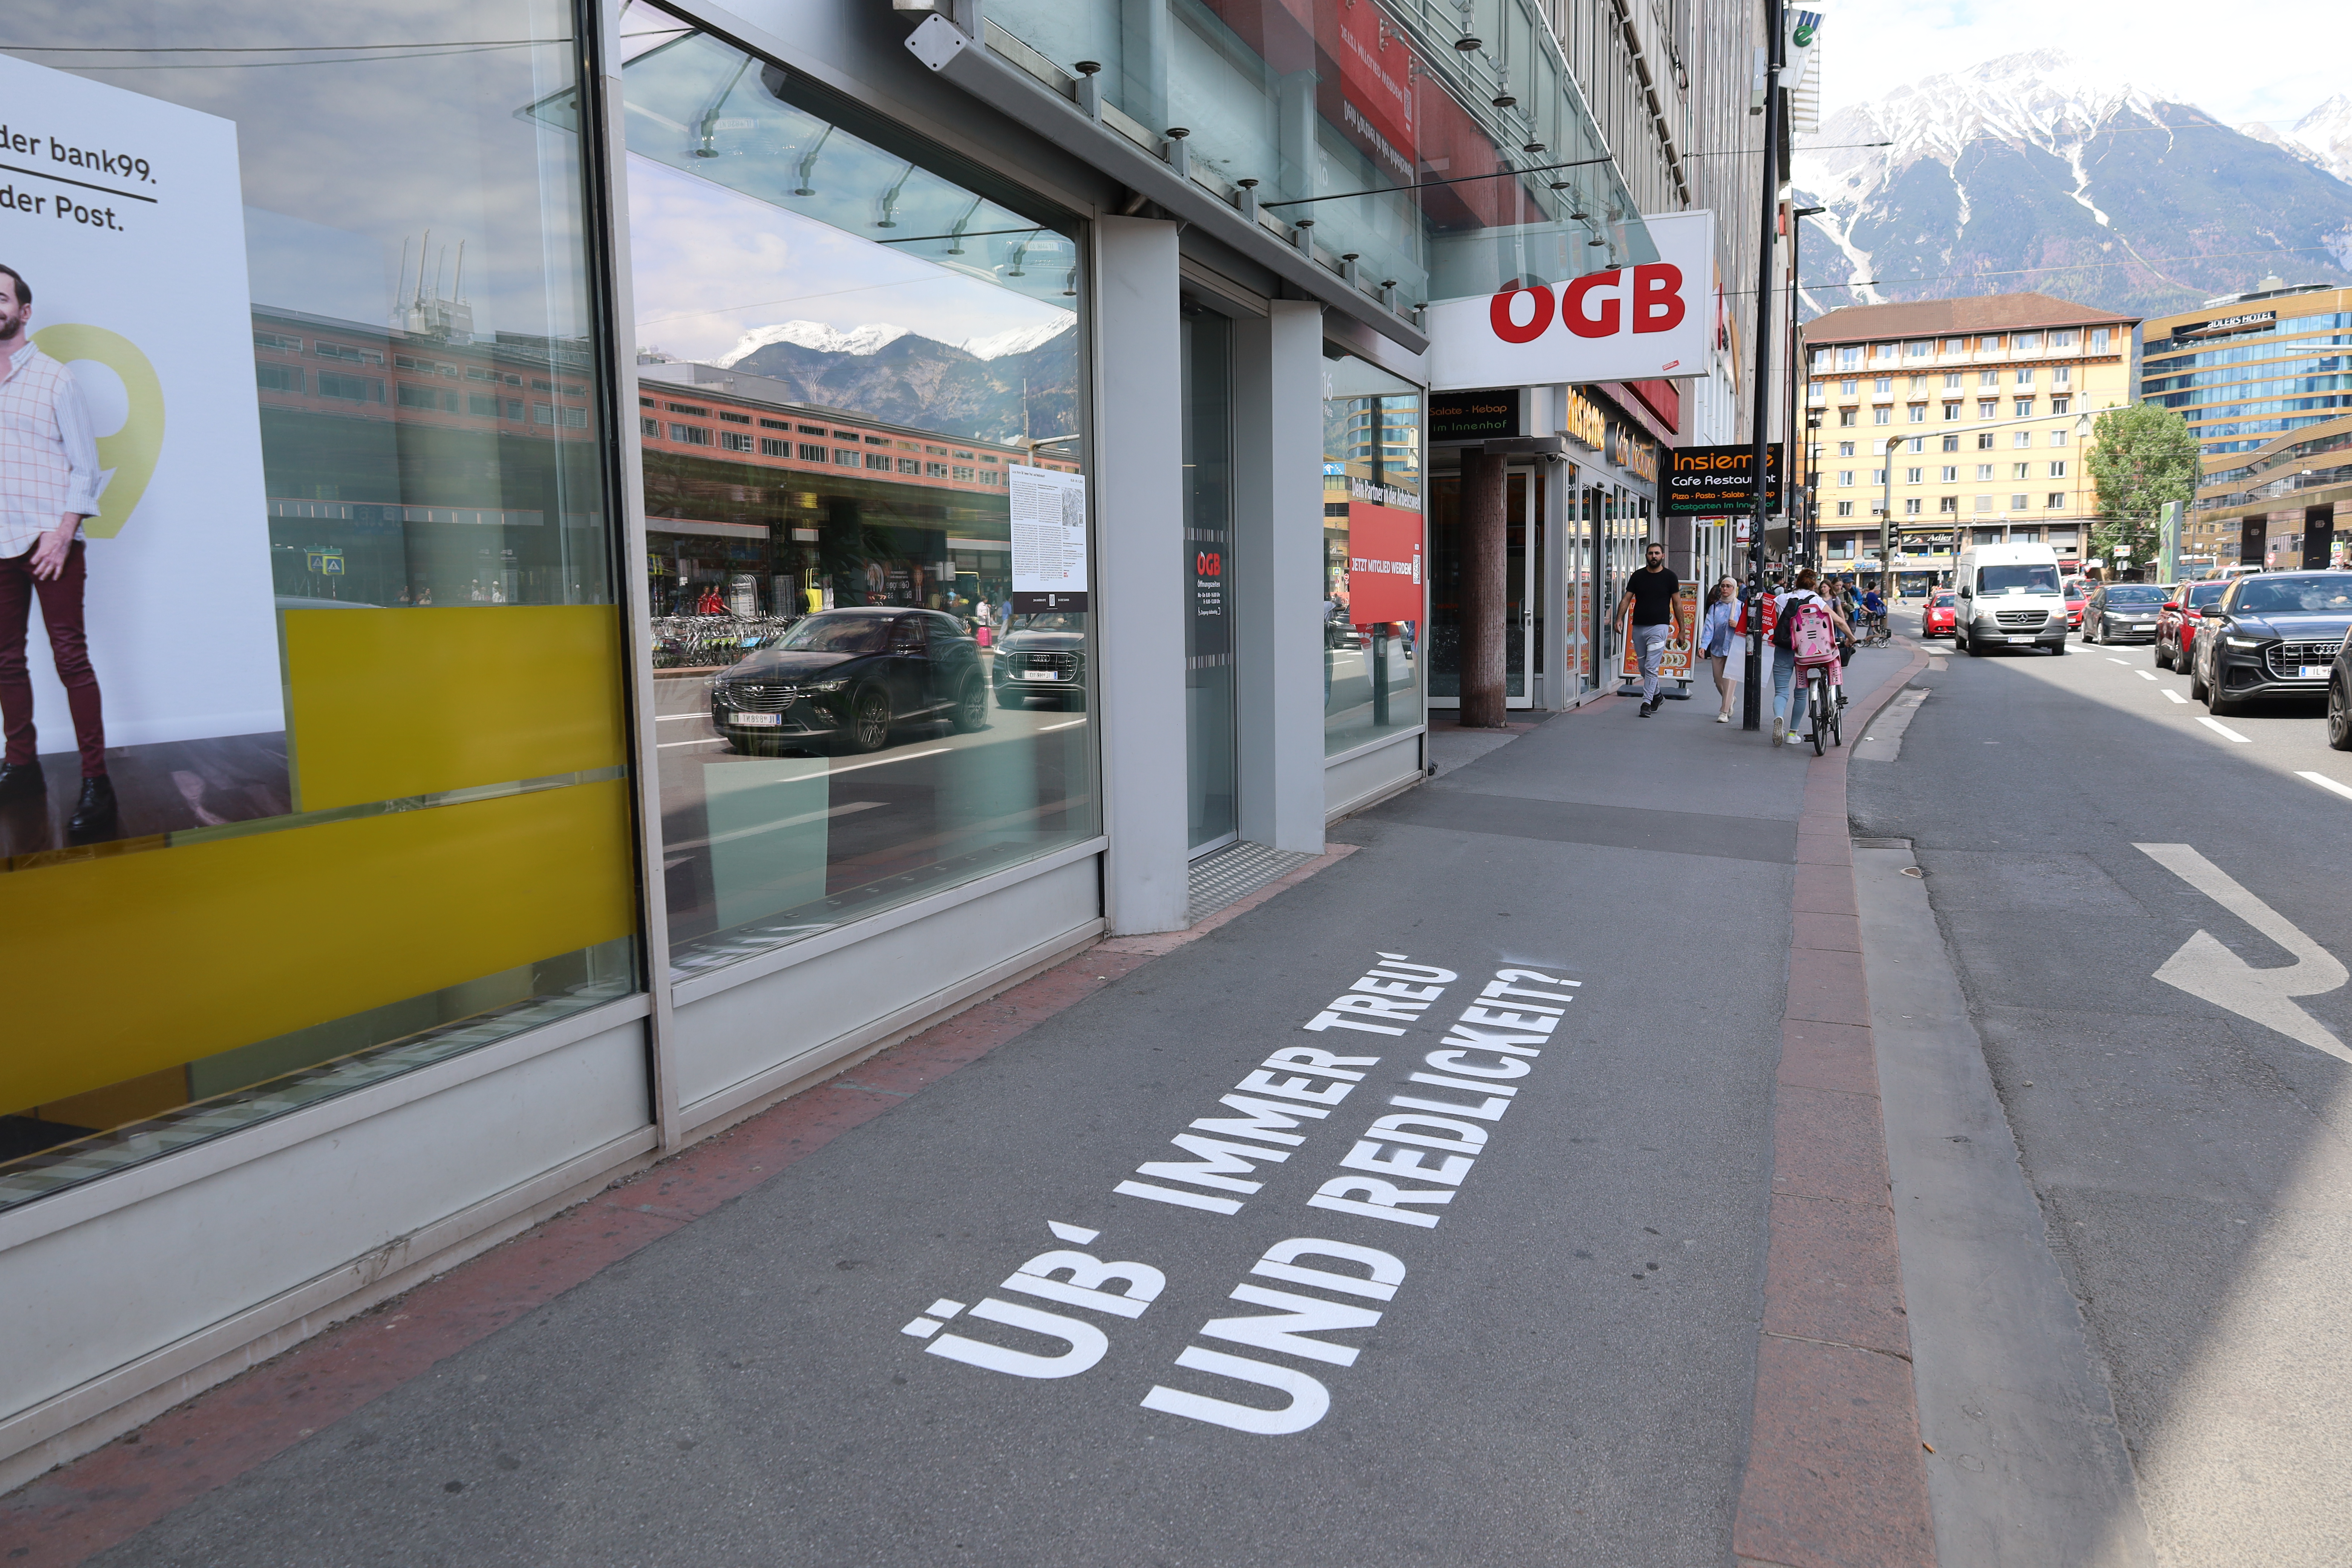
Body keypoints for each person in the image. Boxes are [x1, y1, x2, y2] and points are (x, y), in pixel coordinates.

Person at [0, 263, 114, 835]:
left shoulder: (55, 378)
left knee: (70, 658)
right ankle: (22, 768)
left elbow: (86, 467)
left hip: (51, 543)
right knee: (5, 662)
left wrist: (63, 531)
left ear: (23, 311)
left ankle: (98, 783)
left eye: (1, 297)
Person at [1771, 568, 1852, 747]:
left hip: (1784, 649)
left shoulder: (1782, 599)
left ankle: (1779, 718)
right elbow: (1838, 621)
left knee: (1781, 692)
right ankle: (1793, 733)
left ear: (1796, 583)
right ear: (1814, 585)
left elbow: (1779, 623)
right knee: (1801, 693)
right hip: (1807, 652)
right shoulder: (1817, 600)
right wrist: (1851, 638)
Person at [1614, 538, 1680, 717]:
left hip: (1660, 627)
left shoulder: (1670, 577)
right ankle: (1657, 695)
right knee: (1643, 667)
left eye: (1657, 553)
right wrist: (1619, 618)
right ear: (1646, 556)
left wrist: (1682, 630)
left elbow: (1678, 604)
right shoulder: (1638, 576)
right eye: (1651, 553)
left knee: (1651, 668)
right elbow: (1627, 598)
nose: (1654, 556)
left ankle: (1646, 703)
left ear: (1663, 556)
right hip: (1639, 627)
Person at [1700, 577, 1741, 723]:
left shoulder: (1741, 607)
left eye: (1728, 586)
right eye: (1722, 586)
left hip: (1734, 648)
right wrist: (1704, 646)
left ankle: (1724, 711)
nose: (1724, 589)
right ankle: (1730, 700)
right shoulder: (1715, 607)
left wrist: (1738, 625)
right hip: (1717, 648)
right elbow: (1709, 628)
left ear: (1734, 589)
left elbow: (1748, 628)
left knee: (1729, 680)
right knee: (1718, 681)